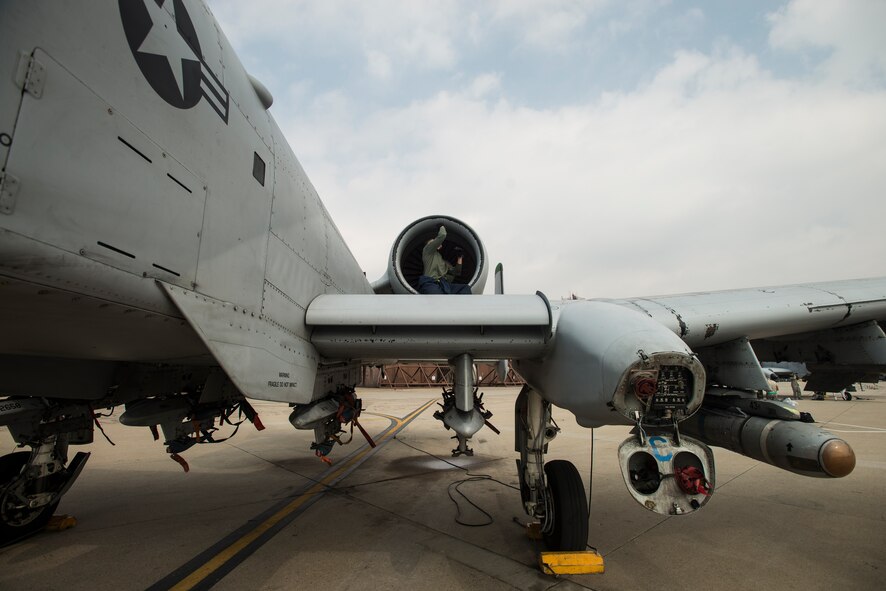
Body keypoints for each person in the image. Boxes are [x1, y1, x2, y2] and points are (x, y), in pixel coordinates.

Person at [418, 225, 472, 294]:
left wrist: (460, 257)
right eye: (432, 242)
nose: (435, 243)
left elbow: (456, 272)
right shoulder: (427, 251)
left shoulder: (444, 263)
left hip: (444, 285)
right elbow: (442, 235)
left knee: (465, 288)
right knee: (438, 296)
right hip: (430, 284)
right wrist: (442, 226)